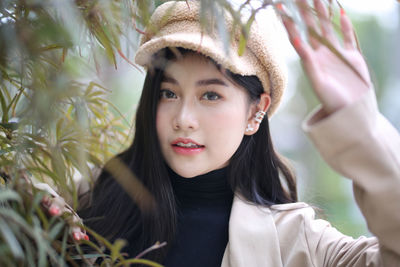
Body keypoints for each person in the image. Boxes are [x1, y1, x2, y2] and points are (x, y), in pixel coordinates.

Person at [45, 0, 400, 266]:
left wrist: (361, 124)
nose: (184, 119)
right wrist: (35, 201)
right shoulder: (85, 203)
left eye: (210, 95)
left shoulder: (299, 244)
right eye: (169, 93)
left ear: (256, 112)